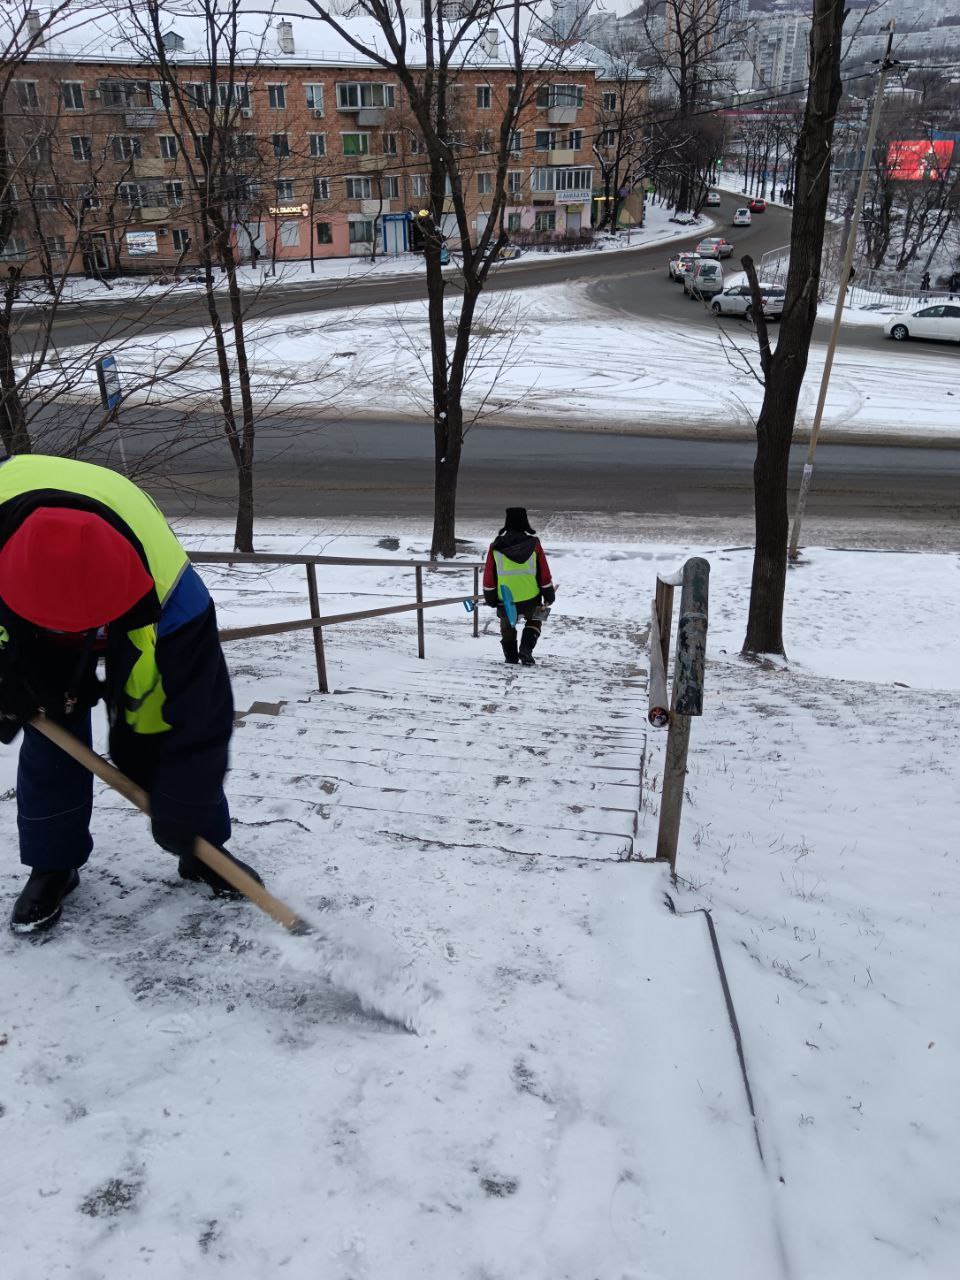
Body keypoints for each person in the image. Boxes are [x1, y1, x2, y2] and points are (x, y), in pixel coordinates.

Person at [0, 454, 261, 933]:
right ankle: (53, 863)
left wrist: (185, 810)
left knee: (162, 731)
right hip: (22, 624)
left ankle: (204, 851)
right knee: (52, 731)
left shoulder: (174, 593)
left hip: (133, 610)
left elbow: (199, 718)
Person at [482, 508, 555, 667]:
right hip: (531, 598)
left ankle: (511, 658)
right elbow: (543, 572)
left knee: (507, 625)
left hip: (506, 600)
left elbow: (489, 575)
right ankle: (526, 650)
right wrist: (549, 593)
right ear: (525, 523)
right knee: (536, 620)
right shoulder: (534, 544)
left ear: (507, 523)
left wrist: (490, 597)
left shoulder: (495, 547)